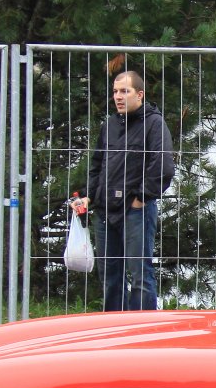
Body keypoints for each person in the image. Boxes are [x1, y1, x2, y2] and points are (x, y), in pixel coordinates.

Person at [72, 70, 176, 311]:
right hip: (105, 211)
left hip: (136, 211)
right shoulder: (109, 124)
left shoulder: (154, 124)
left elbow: (163, 167)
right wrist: (89, 196)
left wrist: (141, 199)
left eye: (124, 91)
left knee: (140, 274)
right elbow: (97, 164)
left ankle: (143, 327)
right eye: (115, 91)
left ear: (139, 94)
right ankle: (114, 327)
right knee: (110, 276)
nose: (118, 97)